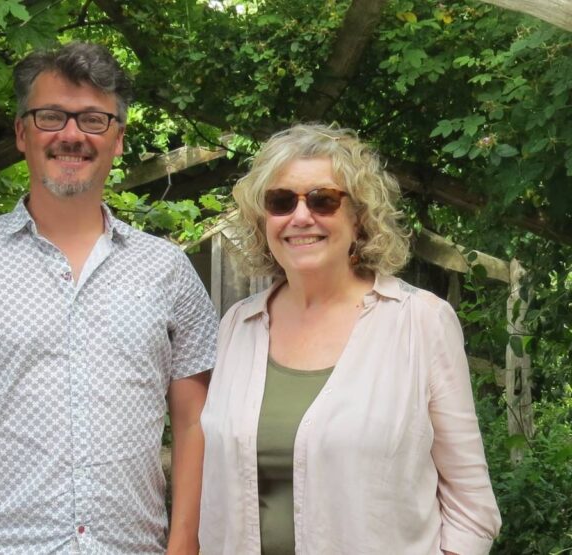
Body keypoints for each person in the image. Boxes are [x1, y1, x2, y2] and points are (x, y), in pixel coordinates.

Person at [0, 42, 217, 554]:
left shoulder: (167, 270)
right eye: (51, 116)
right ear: (22, 133)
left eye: (93, 120)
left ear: (119, 138)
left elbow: (196, 422)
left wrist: (184, 546)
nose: (71, 135)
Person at [199, 123, 501, 554]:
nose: (300, 217)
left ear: (358, 217)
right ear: (263, 218)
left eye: (323, 200)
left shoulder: (420, 322)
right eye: (281, 201)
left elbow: (471, 505)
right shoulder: (238, 326)